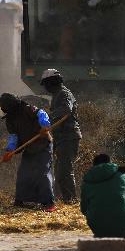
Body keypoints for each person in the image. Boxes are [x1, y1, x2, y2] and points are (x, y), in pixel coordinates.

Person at [0, 93, 56, 211]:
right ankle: (21, 200)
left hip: (43, 144)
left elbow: (42, 113)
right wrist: (10, 150)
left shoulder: (27, 108)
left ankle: (49, 203)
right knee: (23, 174)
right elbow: (13, 136)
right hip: (29, 147)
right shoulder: (9, 119)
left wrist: (44, 125)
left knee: (43, 173)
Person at [41, 69, 81, 203]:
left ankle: (71, 200)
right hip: (61, 138)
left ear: (52, 82)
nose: (45, 88)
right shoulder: (57, 95)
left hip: (68, 137)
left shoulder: (64, 94)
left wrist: (48, 120)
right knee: (59, 172)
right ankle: (63, 198)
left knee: (64, 171)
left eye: (46, 84)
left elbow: (66, 110)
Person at [80, 153, 125, 237]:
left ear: (94, 165)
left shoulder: (86, 180)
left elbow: (84, 208)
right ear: (110, 163)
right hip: (122, 226)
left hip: (97, 228)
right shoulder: (121, 175)